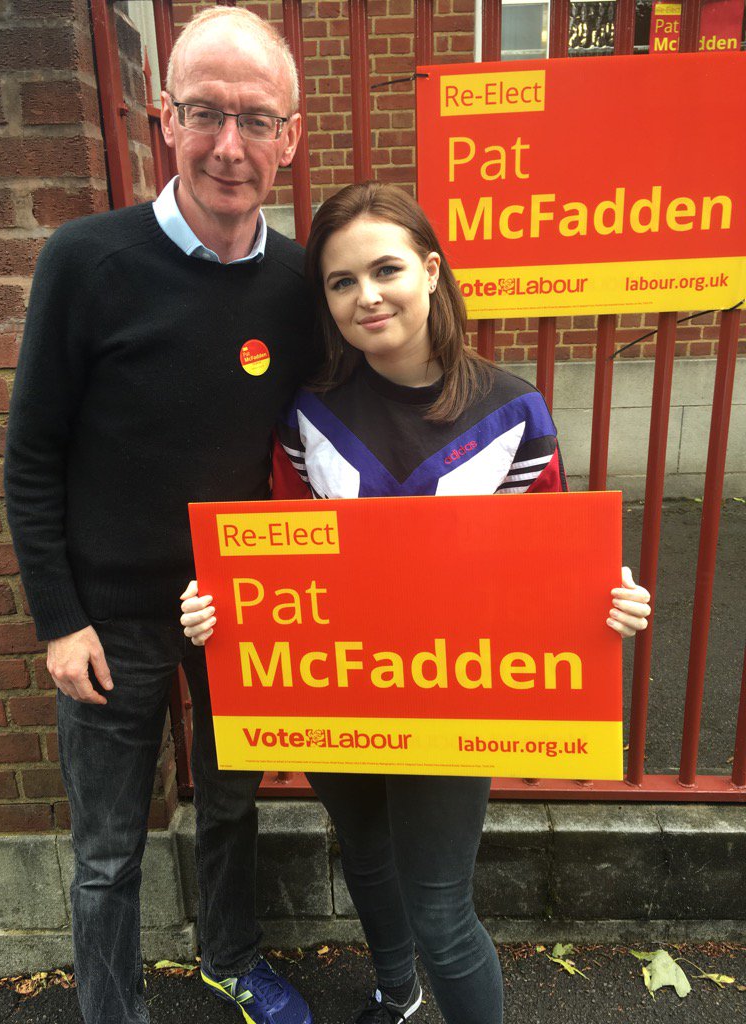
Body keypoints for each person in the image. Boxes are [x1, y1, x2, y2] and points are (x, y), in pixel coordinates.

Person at [180, 182, 653, 1024]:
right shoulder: (307, 413)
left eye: (386, 269)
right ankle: (395, 992)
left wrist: (605, 600)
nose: (366, 296)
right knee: (365, 857)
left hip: (453, 688)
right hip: (335, 683)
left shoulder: (513, 410)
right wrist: (221, 604)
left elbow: (549, 562)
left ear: (431, 270)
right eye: (341, 281)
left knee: (441, 910)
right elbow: (278, 553)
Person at [4, 8, 319, 1024]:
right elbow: (31, 454)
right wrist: (60, 621)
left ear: (290, 136)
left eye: (255, 119)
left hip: (239, 610)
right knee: (107, 850)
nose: (229, 145)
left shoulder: (299, 284)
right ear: (164, 119)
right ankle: (111, 1009)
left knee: (232, 804)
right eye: (206, 113)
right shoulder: (86, 261)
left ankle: (231, 955)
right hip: (112, 618)